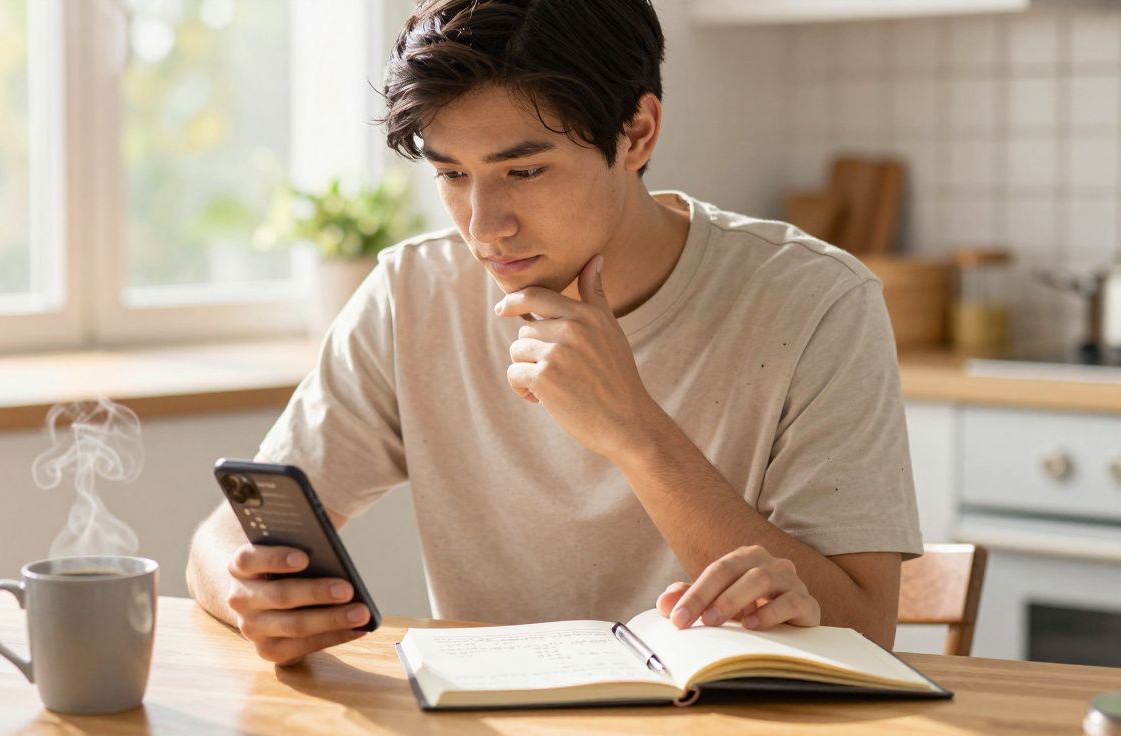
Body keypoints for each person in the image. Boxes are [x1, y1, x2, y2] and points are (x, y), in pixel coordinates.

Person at [187, 0, 922, 667]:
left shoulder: (815, 300)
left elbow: (866, 629)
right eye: (451, 175)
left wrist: (633, 430)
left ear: (636, 133)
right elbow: (222, 540)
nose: (484, 227)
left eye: (526, 171)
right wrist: (246, 592)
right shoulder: (414, 291)